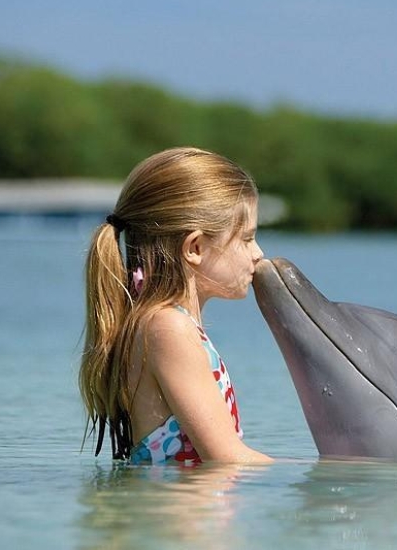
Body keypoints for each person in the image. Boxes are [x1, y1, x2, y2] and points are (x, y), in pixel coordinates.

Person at [79, 147, 272, 465]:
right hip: (172, 514)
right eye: (247, 239)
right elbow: (227, 459)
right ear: (195, 247)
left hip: (178, 512)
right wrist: (330, 477)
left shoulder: (165, 324)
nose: (258, 254)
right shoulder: (168, 327)